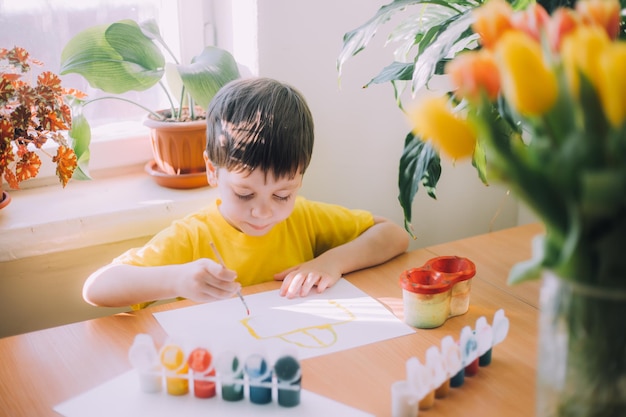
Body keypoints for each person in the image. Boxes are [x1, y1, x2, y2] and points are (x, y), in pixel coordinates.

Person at [83, 77, 410, 310]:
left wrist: (332, 262)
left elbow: (393, 235)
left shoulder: (304, 218)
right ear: (213, 171)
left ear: (300, 178)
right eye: (244, 194)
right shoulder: (193, 236)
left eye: (282, 195)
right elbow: (96, 288)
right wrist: (175, 279)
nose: (263, 212)